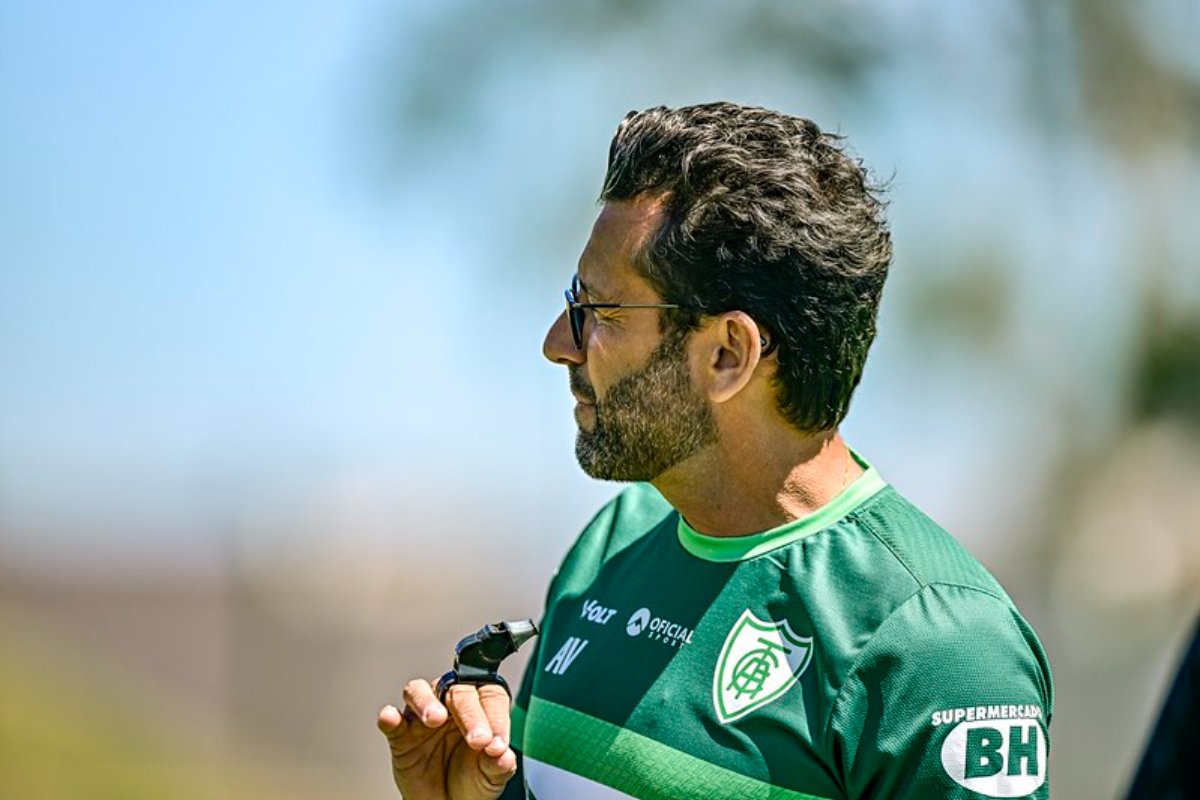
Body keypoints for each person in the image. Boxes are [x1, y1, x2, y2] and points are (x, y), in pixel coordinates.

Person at [378, 102, 1053, 800]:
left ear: (728, 354)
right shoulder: (612, 545)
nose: (559, 342)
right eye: (573, 299)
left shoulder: (938, 645)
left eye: (601, 311)